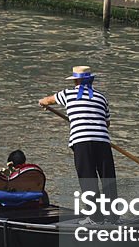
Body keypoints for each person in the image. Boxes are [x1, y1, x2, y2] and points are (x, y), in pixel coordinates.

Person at [38, 66, 116, 219]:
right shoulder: (102, 97)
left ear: (76, 80)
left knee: (88, 180)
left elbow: (47, 100)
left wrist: (42, 103)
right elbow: (106, 123)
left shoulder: (67, 94)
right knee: (108, 179)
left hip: (81, 141)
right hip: (102, 141)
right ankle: (113, 216)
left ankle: (95, 218)